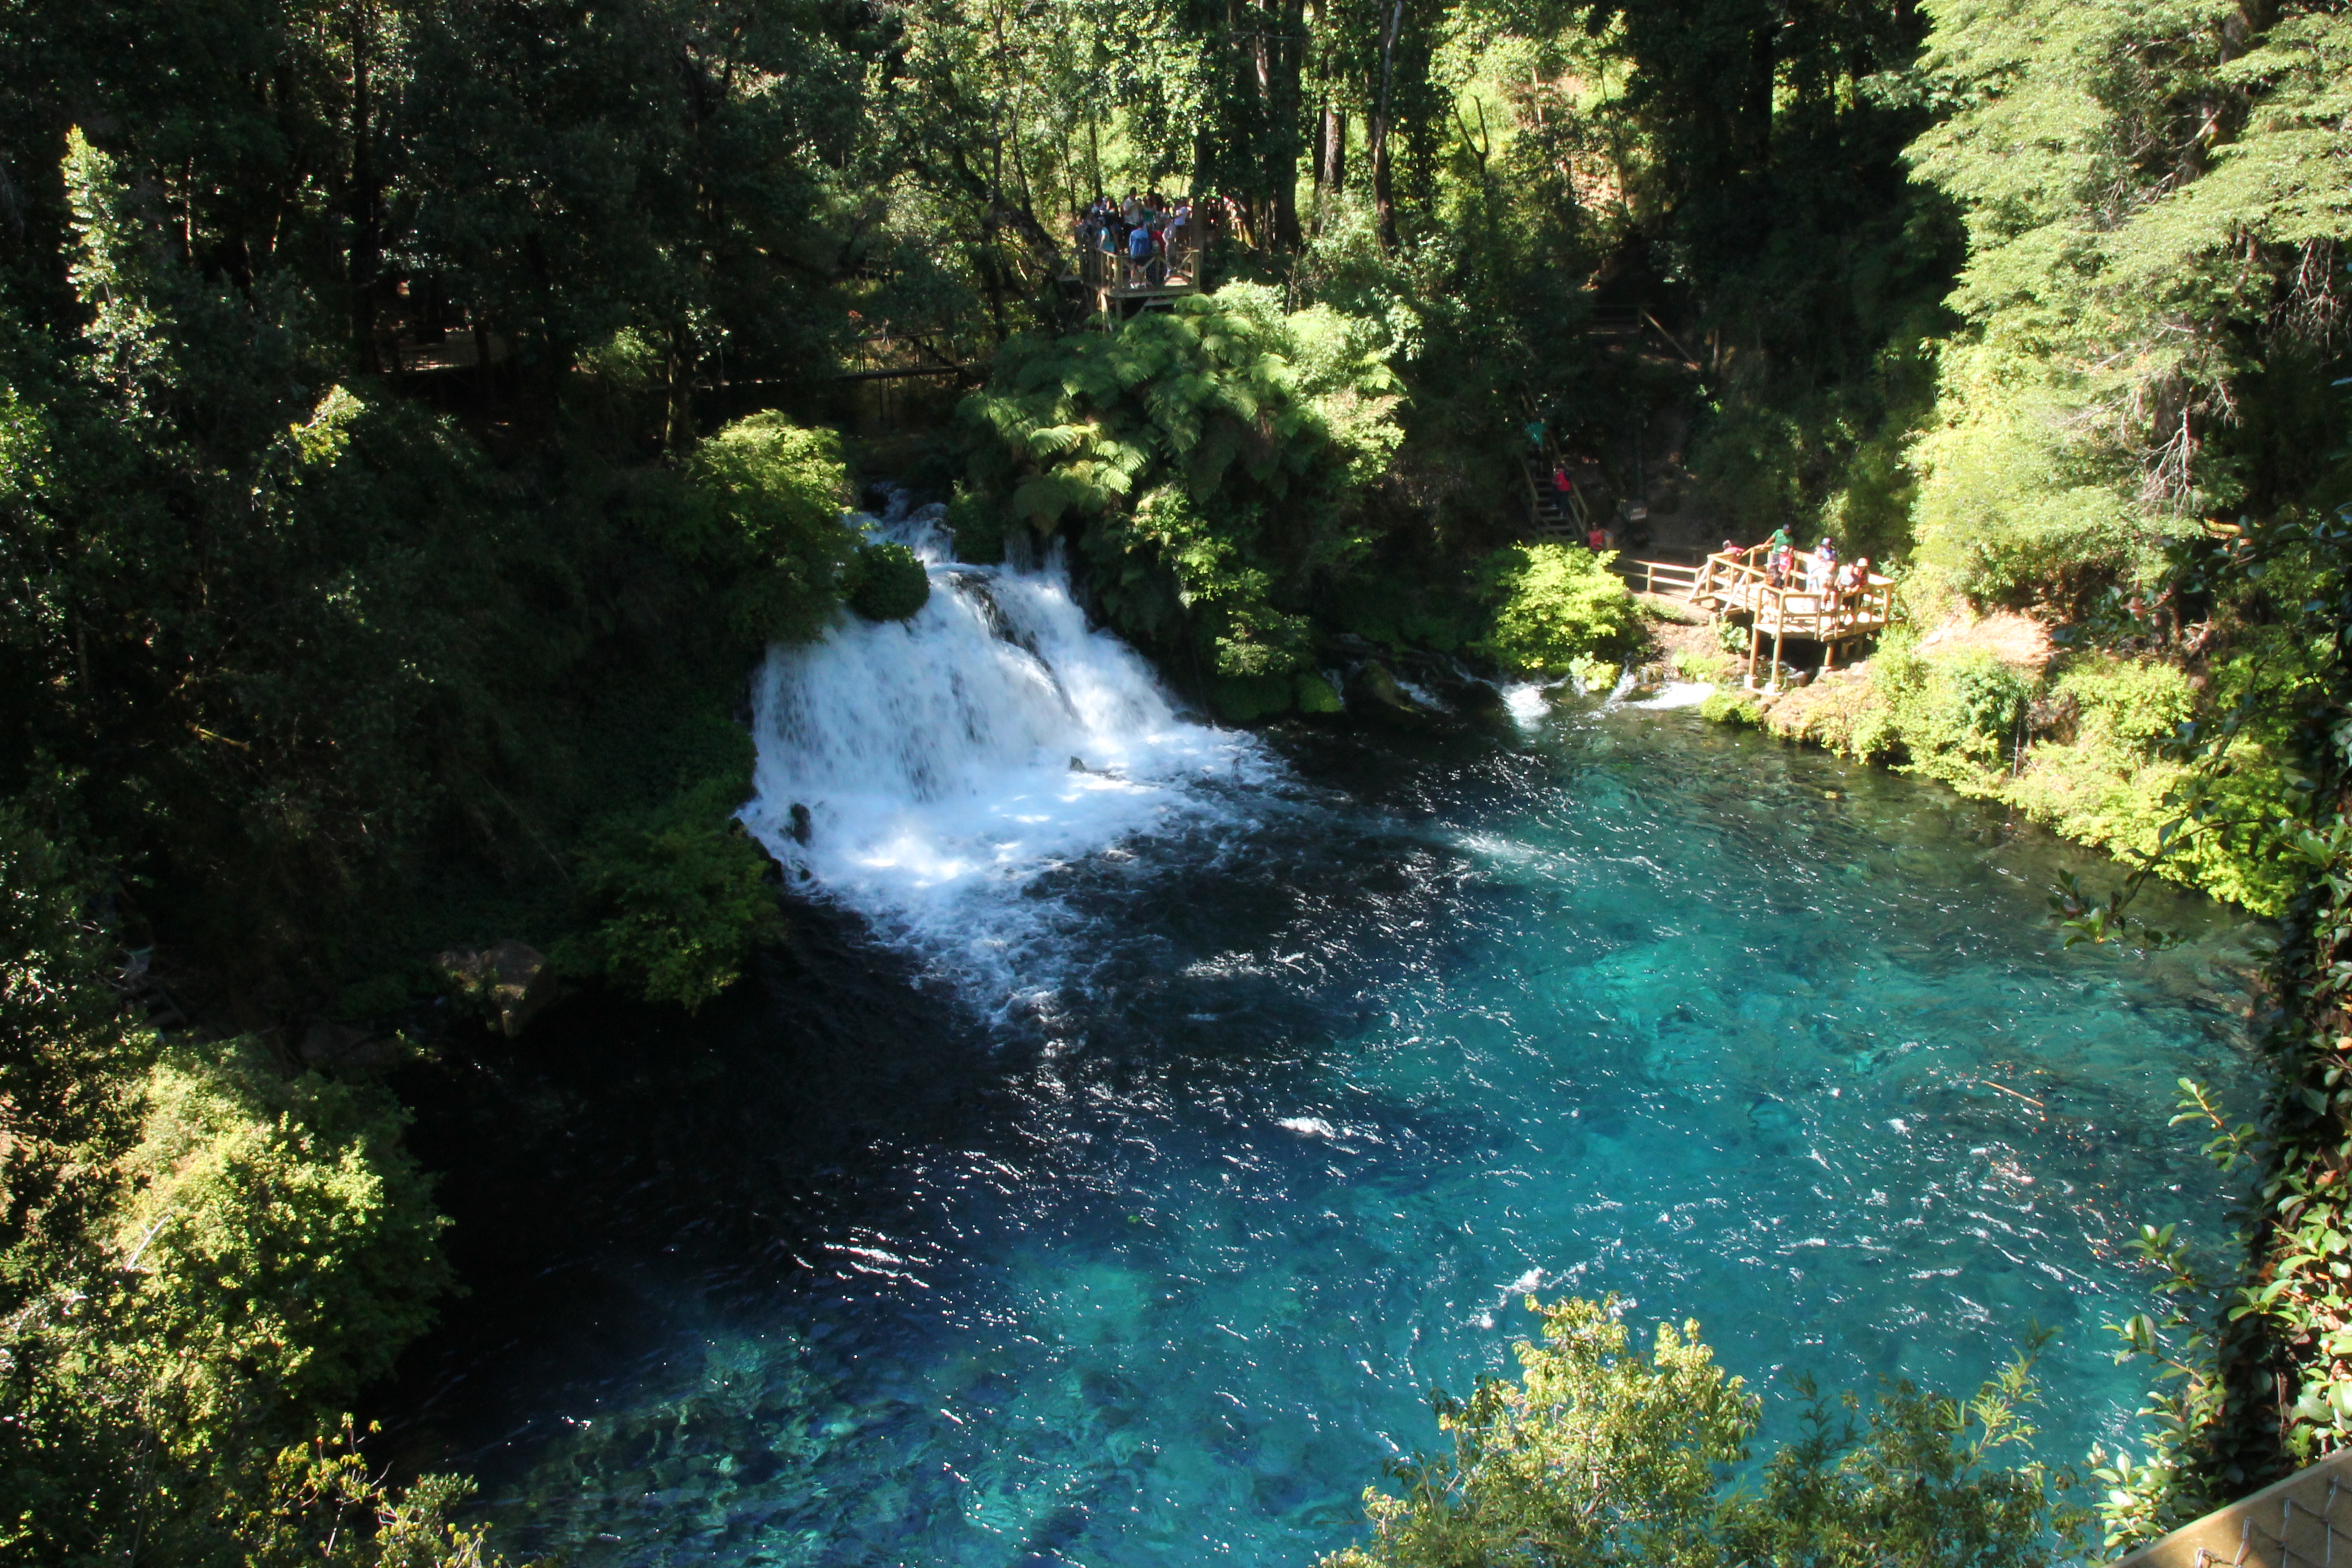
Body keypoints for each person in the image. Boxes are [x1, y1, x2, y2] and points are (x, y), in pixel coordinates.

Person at [1127, 218, 1155, 286]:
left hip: (1134, 253)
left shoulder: (1133, 233)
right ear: (1143, 225)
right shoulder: (1146, 234)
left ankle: (1132, 283)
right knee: (1142, 268)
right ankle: (1141, 282)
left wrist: (1130, 251)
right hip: (1143, 253)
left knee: (1133, 268)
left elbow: (1130, 244)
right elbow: (1147, 245)